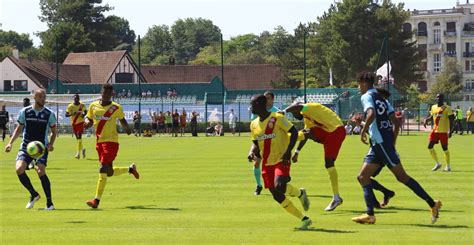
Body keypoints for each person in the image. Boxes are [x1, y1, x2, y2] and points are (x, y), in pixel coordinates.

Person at [352, 71, 441, 224]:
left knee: (402, 177)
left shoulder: (366, 96)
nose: (358, 87)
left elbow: (372, 114)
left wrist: (363, 130)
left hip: (381, 144)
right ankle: (370, 215)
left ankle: (433, 204)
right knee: (362, 177)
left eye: (359, 84)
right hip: (379, 145)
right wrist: (390, 141)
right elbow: (395, 121)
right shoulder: (382, 99)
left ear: (364, 83)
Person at [249, 94, 312, 229]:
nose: (251, 107)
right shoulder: (253, 124)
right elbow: (255, 143)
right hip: (266, 163)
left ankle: (300, 195)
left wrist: (289, 151)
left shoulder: (277, 118)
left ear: (261, 104)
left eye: (253, 105)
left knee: (279, 186)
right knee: (276, 194)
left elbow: (294, 132)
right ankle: (304, 217)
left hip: (281, 158)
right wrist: (251, 152)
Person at [84, 84, 140, 209]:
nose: (106, 96)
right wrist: (87, 123)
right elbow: (89, 119)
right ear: (101, 93)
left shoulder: (116, 107)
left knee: (103, 169)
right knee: (108, 172)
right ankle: (130, 169)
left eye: (108, 94)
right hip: (99, 141)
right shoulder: (93, 106)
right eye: (104, 93)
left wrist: (127, 129)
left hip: (111, 142)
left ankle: (96, 201)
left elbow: (122, 120)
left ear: (112, 95)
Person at [285, 102, 346, 211]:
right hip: (328, 133)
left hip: (336, 131)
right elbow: (306, 135)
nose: (294, 115)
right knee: (307, 132)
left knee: (329, 163)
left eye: (294, 113)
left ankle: (336, 198)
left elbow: (299, 106)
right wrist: (297, 152)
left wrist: (284, 111)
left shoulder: (310, 107)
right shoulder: (306, 117)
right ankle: (285, 137)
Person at [4, 89, 57, 210]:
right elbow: (19, 129)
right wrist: (10, 143)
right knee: (19, 168)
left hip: (41, 148)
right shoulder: (25, 112)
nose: (43, 99)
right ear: (35, 97)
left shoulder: (49, 114)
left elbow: (54, 131)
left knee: (40, 170)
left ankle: (49, 203)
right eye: (41, 97)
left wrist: (51, 144)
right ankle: (34, 194)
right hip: (26, 146)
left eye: (44, 97)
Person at [249, 91, 280, 195]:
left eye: (268, 98)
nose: (266, 100)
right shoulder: (256, 113)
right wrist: (252, 150)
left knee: (276, 165)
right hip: (260, 142)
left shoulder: (277, 112)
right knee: (256, 163)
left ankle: (281, 180)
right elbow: (254, 132)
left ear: (272, 100)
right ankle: (259, 185)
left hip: (274, 144)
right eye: (265, 98)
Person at [423, 94, 455, 171]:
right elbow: (432, 117)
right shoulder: (433, 107)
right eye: (437, 97)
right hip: (435, 130)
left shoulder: (447, 108)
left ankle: (448, 166)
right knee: (430, 146)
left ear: (442, 99)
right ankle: (437, 163)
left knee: (445, 149)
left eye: (440, 98)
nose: (438, 99)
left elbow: (451, 120)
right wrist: (426, 120)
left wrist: (451, 131)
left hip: (443, 131)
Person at [65, 94, 87, 159]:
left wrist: (83, 115)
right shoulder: (70, 106)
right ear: (73, 99)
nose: (76, 99)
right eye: (75, 98)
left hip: (81, 122)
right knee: (78, 139)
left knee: (79, 136)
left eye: (77, 98)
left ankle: (78, 153)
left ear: (79, 99)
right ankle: (83, 149)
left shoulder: (82, 105)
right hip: (74, 123)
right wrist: (72, 114)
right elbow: (66, 115)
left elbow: (86, 112)